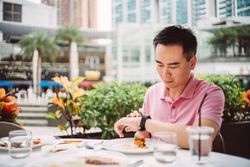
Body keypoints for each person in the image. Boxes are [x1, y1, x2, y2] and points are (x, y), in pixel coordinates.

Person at [114, 25, 225, 148]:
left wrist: (145, 122)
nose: (165, 73)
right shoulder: (152, 93)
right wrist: (139, 129)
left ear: (192, 63)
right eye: (160, 64)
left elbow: (199, 141)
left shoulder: (210, 94)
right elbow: (143, 138)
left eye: (173, 66)